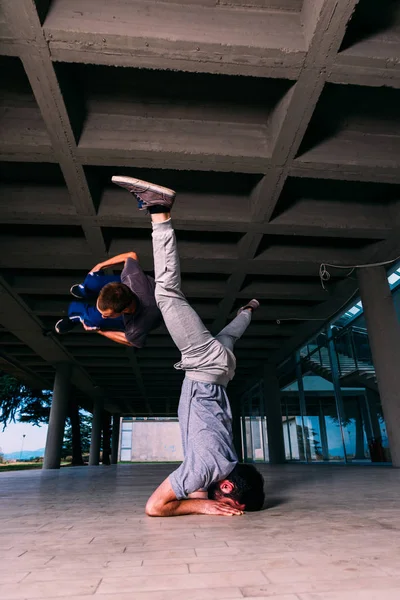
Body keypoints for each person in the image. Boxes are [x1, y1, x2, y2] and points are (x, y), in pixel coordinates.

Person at [112, 174, 265, 516]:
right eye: (223, 501)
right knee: (166, 292)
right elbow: (155, 508)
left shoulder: (227, 462)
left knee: (231, 334)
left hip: (222, 371)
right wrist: (203, 508)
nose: (218, 505)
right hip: (205, 367)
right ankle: (159, 210)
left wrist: (203, 497)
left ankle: (248, 309)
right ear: (225, 485)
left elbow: (198, 486)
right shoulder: (206, 470)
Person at [55, 271, 124, 335]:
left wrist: (99, 331)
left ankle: (76, 318)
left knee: (91, 319)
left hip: (126, 316)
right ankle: (84, 290)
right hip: (125, 285)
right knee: (93, 283)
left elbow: (128, 340)